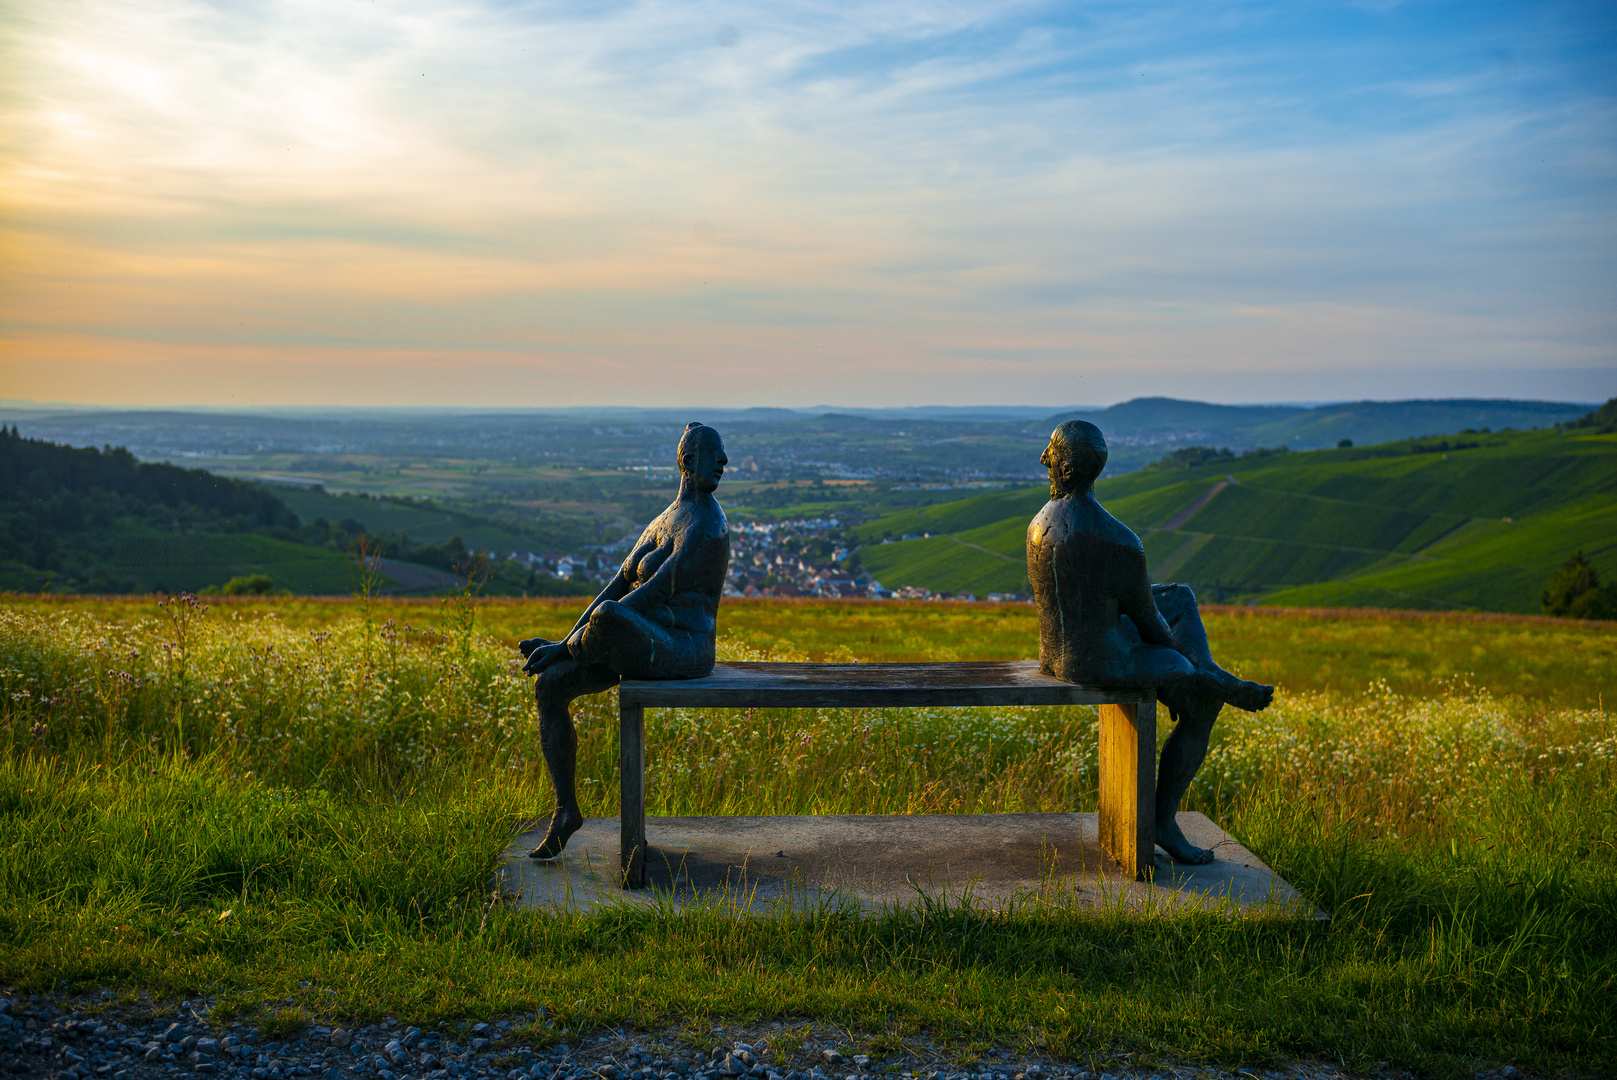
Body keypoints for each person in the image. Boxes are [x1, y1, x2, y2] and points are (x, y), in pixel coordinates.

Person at [1027, 420, 1273, 864]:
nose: (1043, 461)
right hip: (1100, 661)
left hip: (1057, 652)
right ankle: (1164, 819)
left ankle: (1209, 673)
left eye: (1049, 454)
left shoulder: (1039, 525)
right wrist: (1182, 669)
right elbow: (1151, 624)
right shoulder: (1120, 540)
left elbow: (1093, 603)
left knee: (1179, 596)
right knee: (1200, 701)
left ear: (1065, 468)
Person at [518, 422, 731, 859]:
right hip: (641, 638)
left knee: (608, 616)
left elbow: (656, 590)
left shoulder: (708, 522)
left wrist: (565, 646)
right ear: (688, 462)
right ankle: (565, 811)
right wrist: (568, 639)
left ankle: (582, 643)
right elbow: (616, 583)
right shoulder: (665, 520)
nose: (724, 462)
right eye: (715, 454)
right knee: (549, 685)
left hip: (685, 647)